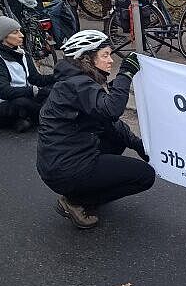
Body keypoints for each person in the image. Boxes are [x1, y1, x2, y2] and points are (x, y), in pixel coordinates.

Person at [37, 31, 154, 229]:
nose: (111, 61)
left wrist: (138, 145)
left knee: (116, 137)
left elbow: (110, 124)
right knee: (145, 176)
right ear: (87, 58)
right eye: (105, 55)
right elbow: (111, 111)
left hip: (60, 162)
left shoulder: (75, 81)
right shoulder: (77, 84)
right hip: (66, 168)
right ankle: (77, 201)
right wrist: (125, 74)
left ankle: (81, 190)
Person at [0, 16, 55, 132]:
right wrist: (35, 91)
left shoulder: (21, 53)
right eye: (15, 32)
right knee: (23, 103)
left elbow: (36, 79)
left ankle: (28, 119)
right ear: (3, 36)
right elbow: (4, 92)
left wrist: (59, 76)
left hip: (21, 97)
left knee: (54, 88)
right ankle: (47, 117)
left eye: (20, 31)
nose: (21, 35)